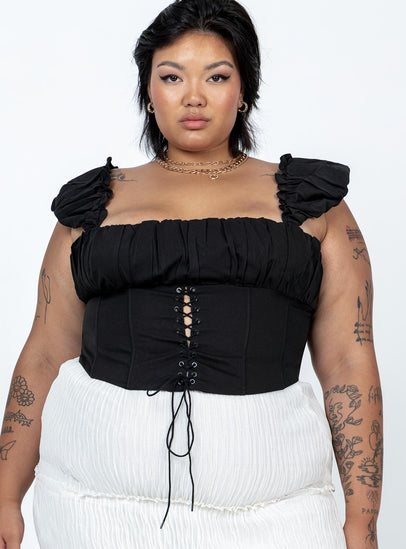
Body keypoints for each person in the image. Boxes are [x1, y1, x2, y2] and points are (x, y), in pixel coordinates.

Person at [0, 0, 383, 547]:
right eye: (172, 76)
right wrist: (5, 497)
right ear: (148, 91)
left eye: (217, 76)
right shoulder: (93, 205)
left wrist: (362, 522)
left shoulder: (313, 205)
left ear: (244, 89)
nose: (194, 96)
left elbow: (349, 364)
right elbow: (44, 354)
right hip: (95, 511)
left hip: (277, 509)